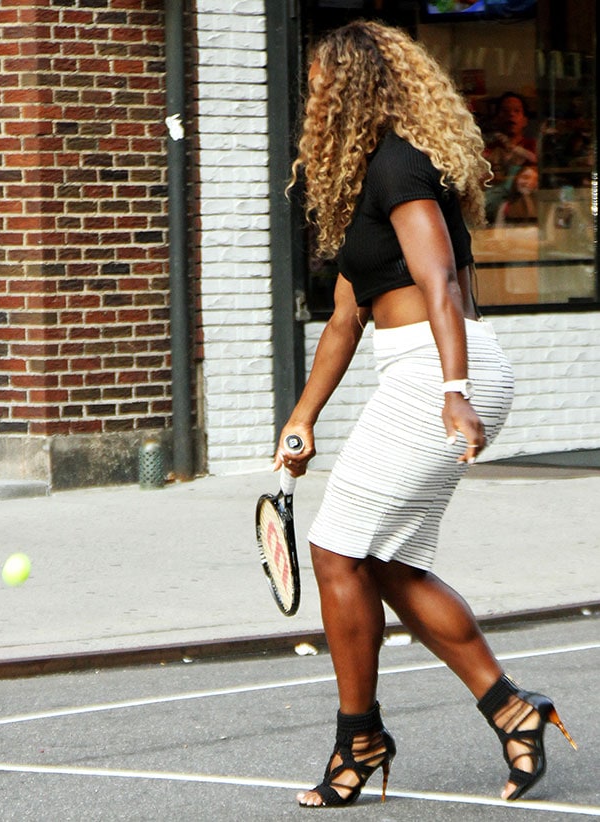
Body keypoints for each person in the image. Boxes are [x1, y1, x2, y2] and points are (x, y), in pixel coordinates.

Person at [274, 20, 576, 808]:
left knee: (337, 553)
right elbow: (345, 320)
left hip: (438, 375)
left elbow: (440, 284)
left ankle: (360, 738)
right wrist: (301, 417)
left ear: (353, 89)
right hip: (422, 372)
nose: (313, 98)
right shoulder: (360, 184)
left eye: (321, 85)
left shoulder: (401, 167)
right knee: (386, 565)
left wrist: (454, 390)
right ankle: (513, 710)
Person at [484, 92, 538, 223]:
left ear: (525, 120)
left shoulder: (533, 148)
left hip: (526, 217)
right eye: (505, 111)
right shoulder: (488, 150)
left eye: (516, 111)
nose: (511, 115)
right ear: (496, 118)